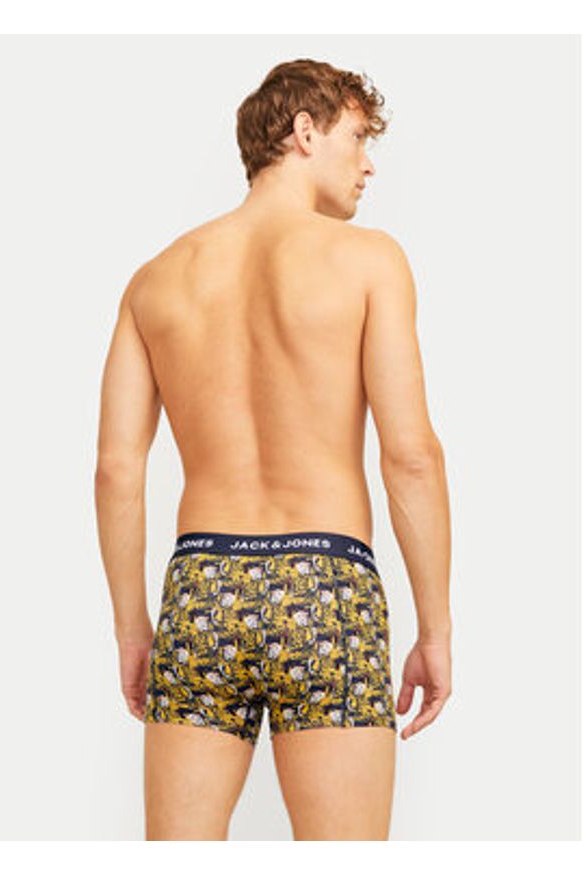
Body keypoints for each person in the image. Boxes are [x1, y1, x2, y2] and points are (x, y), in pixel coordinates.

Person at [94, 57, 452, 841]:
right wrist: (435, 629)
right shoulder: (369, 261)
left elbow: (118, 469)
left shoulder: (155, 280)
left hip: (201, 586)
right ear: (304, 132)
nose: (368, 163)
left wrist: (133, 629)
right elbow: (411, 455)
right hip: (328, 585)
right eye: (357, 137)